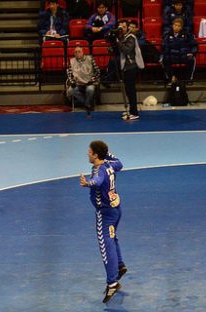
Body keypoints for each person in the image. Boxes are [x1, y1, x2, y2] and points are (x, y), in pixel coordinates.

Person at [79, 140, 127, 304]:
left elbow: (98, 181)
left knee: (106, 247)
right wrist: (108, 154)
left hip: (105, 214)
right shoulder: (110, 165)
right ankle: (120, 266)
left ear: (96, 155)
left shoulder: (99, 170)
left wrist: (87, 183)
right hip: (116, 209)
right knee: (112, 239)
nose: (87, 153)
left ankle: (112, 283)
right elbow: (120, 163)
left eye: (90, 152)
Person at [116, 20, 144, 120]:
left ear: (127, 27)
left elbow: (127, 50)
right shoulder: (121, 37)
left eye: (124, 27)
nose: (122, 28)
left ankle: (134, 112)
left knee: (131, 90)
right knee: (128, 90)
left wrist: (118, 43)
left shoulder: (131, 37)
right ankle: (131, 110)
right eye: (120, 27)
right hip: (125, 67)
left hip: (131, 67)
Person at [67, 46, 100, 117]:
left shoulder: (90, 59)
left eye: (79, 51)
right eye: (75, 52)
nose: (77, 53)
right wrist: (72, 81)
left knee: (90, 89)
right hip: (78, 83)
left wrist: (92, 80)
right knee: (70, 90)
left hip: (89, 82)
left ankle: (87, 103)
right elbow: (69, 73)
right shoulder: (72, 61)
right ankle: (87, 104)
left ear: (83, 52)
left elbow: (97, 71)